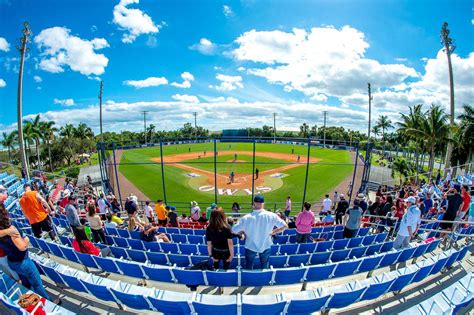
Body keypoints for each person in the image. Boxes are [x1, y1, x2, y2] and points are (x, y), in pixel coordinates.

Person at [0, 203, 59, 303]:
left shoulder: (3, 230)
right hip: (23, 262)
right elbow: (22, 247)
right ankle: (48, 301)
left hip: (12, 261)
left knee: (25, 281)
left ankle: (28, 295)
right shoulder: (11, 229)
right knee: (37, 284)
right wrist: (26, 239)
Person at [232, 195, 287, 269]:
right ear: (263, 203)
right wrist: (274, 232)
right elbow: (285, 226)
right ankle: (263, 279)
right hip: (266, 245)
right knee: (264, 266)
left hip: (250, 246)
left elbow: (233, 230)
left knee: (249, 266)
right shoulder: (272, 215)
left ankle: (249, 278)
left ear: (254, 203)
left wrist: (242, 231)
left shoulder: (246, 218)